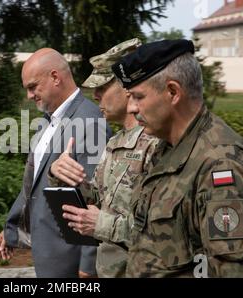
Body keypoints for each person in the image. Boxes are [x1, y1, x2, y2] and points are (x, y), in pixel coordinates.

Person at [99, 39, 243, 277]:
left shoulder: (220, 164)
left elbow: (237, 270)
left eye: (138, 97)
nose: (132, 108)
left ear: (172, 92)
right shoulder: (166, 148)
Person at [0, 48, 111, 278]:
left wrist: (88, 266)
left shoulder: (90, 123)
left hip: (69, 262)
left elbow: (96, 200)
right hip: (47, 255)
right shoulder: (45, 122)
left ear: (55, 78)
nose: (29, 95)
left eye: (32, 86)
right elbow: (33, 183)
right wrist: (12, 230)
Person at [48, 38, 157, 277]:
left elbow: (162, 231)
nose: (95, 95)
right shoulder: (115, 143)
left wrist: (102, 225)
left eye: (103, 86)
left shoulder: (156, 143)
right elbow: (97, 198)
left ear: (128, 86)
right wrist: (63, 177)